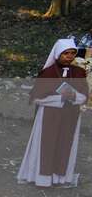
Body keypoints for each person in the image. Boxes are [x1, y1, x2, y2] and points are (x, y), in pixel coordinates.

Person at [17, 39, 89, 187]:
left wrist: (75, 97)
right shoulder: (47, 73)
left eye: (73, 53)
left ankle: (60, 179)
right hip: (49, 116)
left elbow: (84, 96)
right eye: (65, 53)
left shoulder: (79, 72)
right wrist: (60, 98)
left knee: (66, 145)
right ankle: (41, 179)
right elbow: (37, 97)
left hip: (71, 117)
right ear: (57, 54)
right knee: (46, 145)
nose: (69, 56)